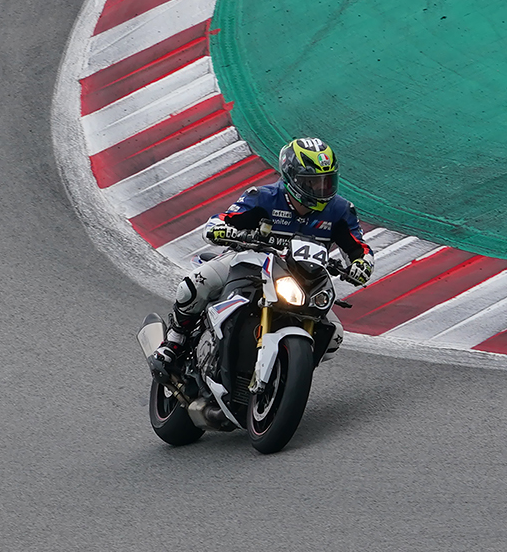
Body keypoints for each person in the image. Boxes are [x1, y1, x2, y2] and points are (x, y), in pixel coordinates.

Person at [149, 137, 374, 382]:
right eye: (312, 182)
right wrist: (222, 230)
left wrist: (362, 265)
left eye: (326, 181)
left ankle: (287, 375)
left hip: (303, 278)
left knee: (334, 335)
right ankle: (175, 340)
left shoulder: (340, 210)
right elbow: (222, 220)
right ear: (292, 178)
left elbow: (360, 248)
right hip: (250, 262)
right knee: (195, 283)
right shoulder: (263, 197)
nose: (321, 189)